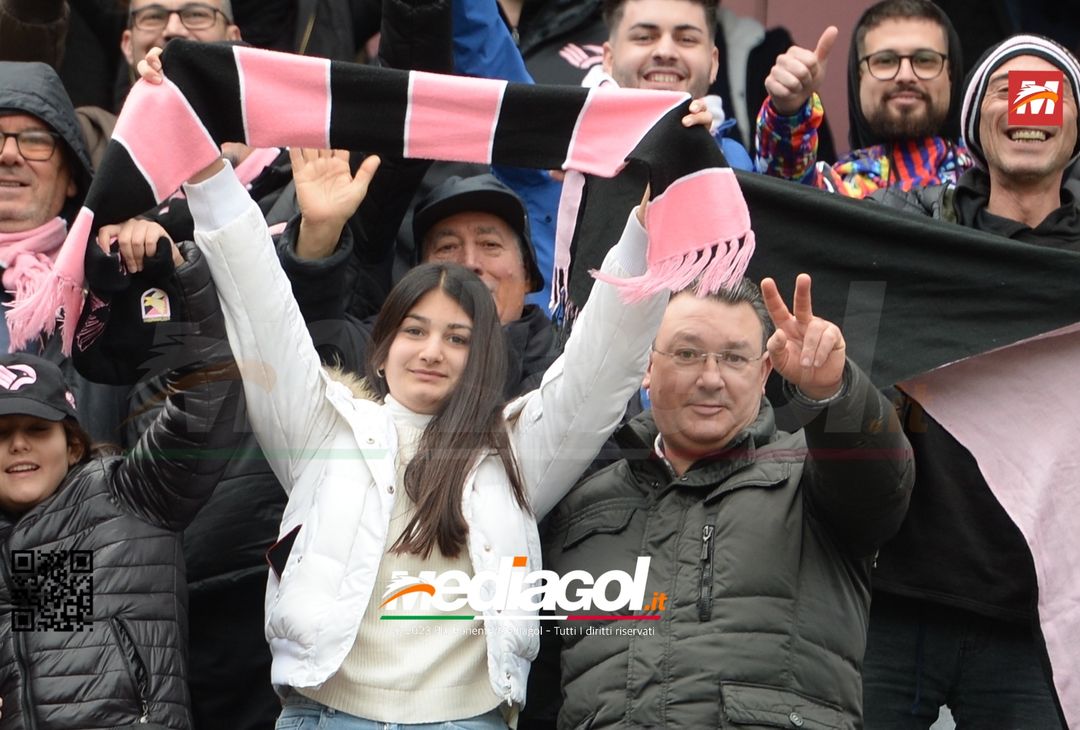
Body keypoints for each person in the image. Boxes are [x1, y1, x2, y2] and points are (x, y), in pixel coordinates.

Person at [542, 275, 914, 728]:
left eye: (735, 358)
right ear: (647, 365)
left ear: (763, 374)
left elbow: (883, 486)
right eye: (686, 354)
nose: (711, 378)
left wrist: (832, 393)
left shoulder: (812, 476)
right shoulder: (579, 507)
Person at [864, 33, 1079, 727]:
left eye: (1049, 93)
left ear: (1075, 124)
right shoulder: (906, 236)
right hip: (891, 602)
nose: (1029, 106)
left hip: (1038, 621)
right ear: (975, 121)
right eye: (1007, 90)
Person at [0, 241, 238, 727]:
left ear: (72, 446)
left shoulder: (130, 494)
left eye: (37, 429)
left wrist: (176, 274)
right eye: (1, 435)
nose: (19, 445)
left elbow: (208, 392)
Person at [756, 0, 973, 197]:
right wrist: (788, 112)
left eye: (925, 60)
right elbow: (784, 190)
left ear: (951, 75)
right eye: (885, 60)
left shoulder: (990, 180)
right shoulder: (833, 191)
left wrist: (1010, 85)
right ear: (859, 78)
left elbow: (1010, 135)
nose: (905, 76)